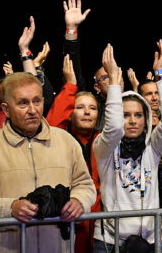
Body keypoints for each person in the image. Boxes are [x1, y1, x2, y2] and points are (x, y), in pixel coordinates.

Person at [0, 72, 96, 253]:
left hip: (58, 247)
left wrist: (79, 201)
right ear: (6, 109)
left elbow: (85, 185)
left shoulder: (66, 141)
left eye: (37, 101)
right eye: (23, 103)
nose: (33, 110)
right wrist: (9, 208)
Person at [92, 42, 162, 252]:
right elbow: (111, 129)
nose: (132, 121)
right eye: (125, 115)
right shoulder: (104, 147)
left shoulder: (153, 148)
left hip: (150, 240)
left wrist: (160, 75)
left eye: (138, 115)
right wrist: (113, 81)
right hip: (109, 241)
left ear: (146, 118)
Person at [46, 54, 102, 253]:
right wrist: (70, 87)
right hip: (70, 217)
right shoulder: (62, 137)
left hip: (100, 220)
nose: (87, 112)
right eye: (80, 107)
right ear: (70, 113)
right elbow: (51, 124)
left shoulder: (103, 139)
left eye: (92, 108)